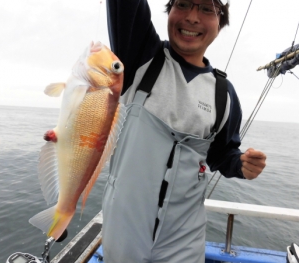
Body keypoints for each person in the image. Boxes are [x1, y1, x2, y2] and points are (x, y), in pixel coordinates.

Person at [101, 0, 267, 262]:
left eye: (205, 9)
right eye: (184, 4)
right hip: (122, 231)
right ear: (169, 11)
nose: (192, 17)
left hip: (184, 240)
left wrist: (241, 164)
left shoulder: (224, 94)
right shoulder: (140, 56)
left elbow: (222, 154)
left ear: (220, 22)